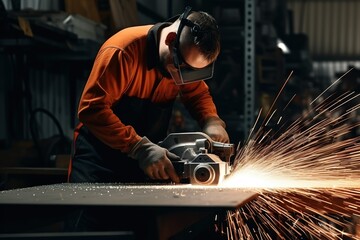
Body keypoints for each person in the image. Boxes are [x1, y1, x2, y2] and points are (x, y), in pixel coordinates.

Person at [65, 6, 230, 235]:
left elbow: (197, 94)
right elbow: (92, 109)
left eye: (192, 73)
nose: (183, 79)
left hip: (144, 164)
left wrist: (211, 120)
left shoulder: (183, 60)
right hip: (99, 163)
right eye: (182, 69)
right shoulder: (123, 51)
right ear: (171, 40)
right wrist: (138, 146)